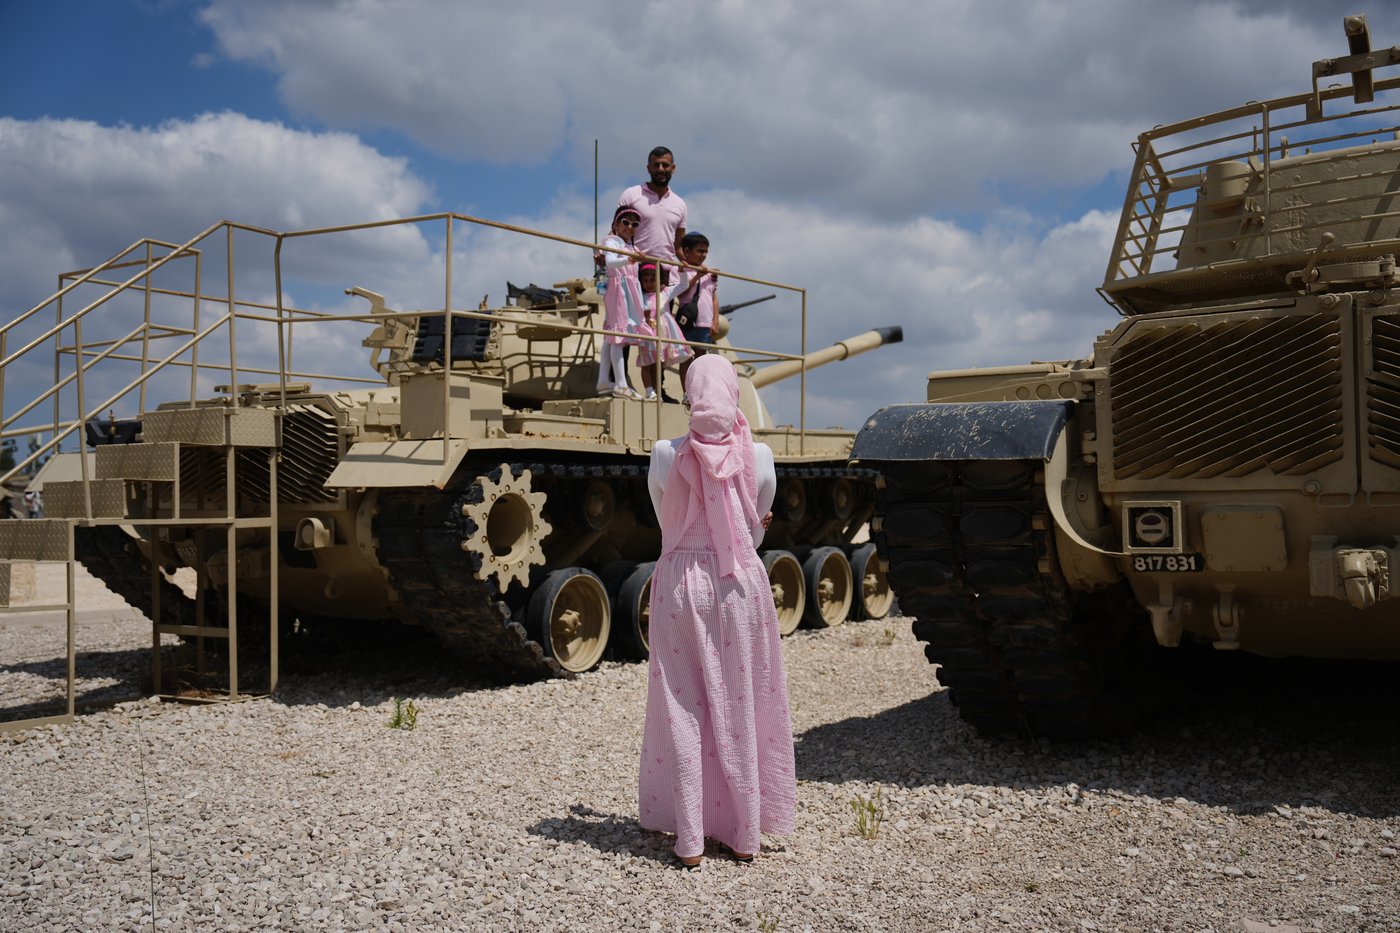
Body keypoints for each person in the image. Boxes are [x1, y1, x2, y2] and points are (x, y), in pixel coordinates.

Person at [638, 355, 795, 868]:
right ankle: (745, 834)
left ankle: (690, 842)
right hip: (737, 584)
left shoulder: (665, 453)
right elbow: (753, 533)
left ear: (689, 396)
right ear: (734, 393)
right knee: (742, 701)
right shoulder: (763, 456)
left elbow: (665, 521)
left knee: (683, 706)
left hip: (680, 583)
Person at [597, 206, 646, 398]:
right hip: (618, 291)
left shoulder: (630, 247)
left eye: (634, 224)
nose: (630, 227)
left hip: (628, 291)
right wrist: (630, 260)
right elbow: (610, 261)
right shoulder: (613, 241)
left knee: (611, 336)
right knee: (618, 336)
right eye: (625, 222)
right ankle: (621, 383)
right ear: (616, 224)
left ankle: (603, 381)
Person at [633, 262, 693, 402]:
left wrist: (682, 271)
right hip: (648, 331)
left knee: (684, 357)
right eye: (645, 281)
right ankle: (650, 391)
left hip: (667, 330)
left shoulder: (664, 293)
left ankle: (687, 393)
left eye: (653, 280)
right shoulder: (639, 296)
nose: (649, 284)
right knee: (648, 362)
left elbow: (683, 285)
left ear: (659, 280)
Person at [617, 147, 687, 264]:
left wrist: (697, 269)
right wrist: (601, 251)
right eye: (656, 165)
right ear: (649, 168)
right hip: (635, 267)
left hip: (666, 271)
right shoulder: (631, 194)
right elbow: (616, 230)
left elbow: (678, 246)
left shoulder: (680, 204)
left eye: (665, 165)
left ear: (673, 168)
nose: (660, 169)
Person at [673, 232, 719, 392]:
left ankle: (699, 392)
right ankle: (687, 393)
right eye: (700, 251)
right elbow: (680, 293)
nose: (703, 255)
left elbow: (713, 297)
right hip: (689, 322)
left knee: (702, 360)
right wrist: (697, 276)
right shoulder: (681, 270)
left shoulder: (709, 274)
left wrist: (715, 321)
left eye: (705, 251)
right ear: (687, 251)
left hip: (704, 323)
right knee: (686, 359)